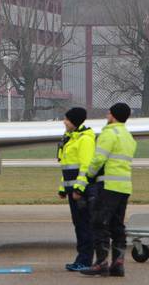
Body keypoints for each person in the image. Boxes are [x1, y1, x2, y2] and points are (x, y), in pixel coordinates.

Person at [74, 103, 136, 277]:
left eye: (109, 112)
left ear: (113, 115)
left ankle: (101, 263)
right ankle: (118, 263)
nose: (107, 115)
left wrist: (89, 176)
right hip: (124, 186)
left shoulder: (109, 134)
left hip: (108, 186)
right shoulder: (127, 136)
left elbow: (98, 158)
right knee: (117, 225)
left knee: (98, 223)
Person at [57, 107, 96, 272]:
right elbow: (66, 167)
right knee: (78, 224)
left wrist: (79, 190)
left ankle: (85, 260)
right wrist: (62, 188)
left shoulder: (84, 140)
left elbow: (86, 166)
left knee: (84, 225)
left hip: (81, 192)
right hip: (72, 190)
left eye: (66, 119)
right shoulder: (70, 139)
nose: (64, 122)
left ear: (74, 121)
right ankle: (81, 258)